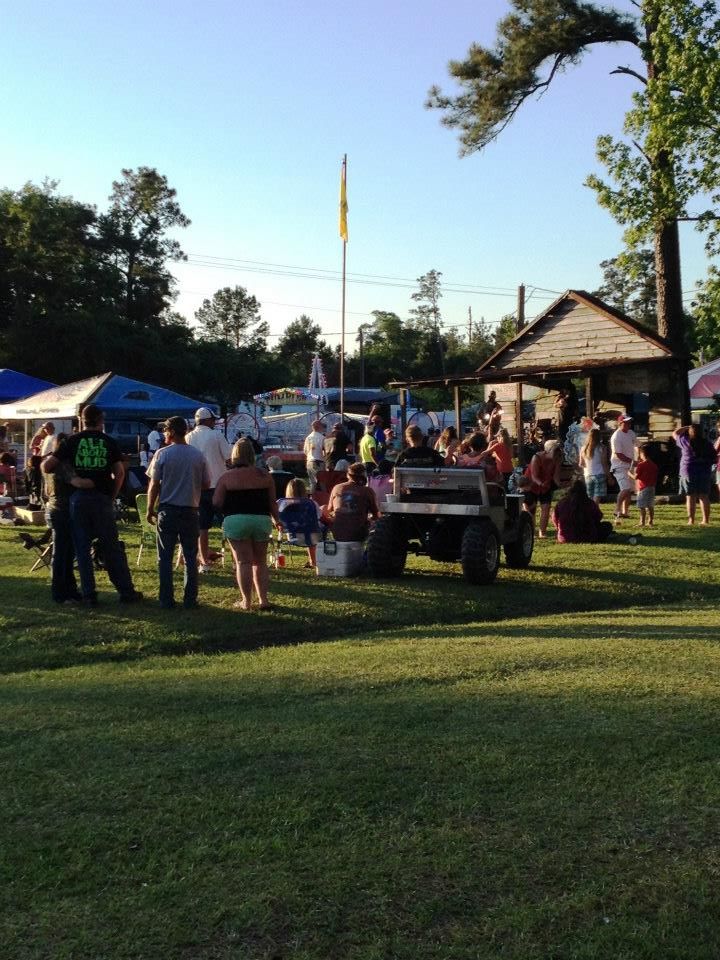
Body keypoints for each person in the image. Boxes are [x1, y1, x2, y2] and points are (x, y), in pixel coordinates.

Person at [42, 403, 143, 606]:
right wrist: (111, 495)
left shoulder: (71, 441)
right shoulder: (109, 442)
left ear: (82, 420)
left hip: (78, 500)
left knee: (82, 549)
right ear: (101, 420)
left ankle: (89, 594)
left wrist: (72, 479)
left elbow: (47, 465)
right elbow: (119, 472)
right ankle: (126, 591)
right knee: (111, 547)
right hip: (101, 497)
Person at [146, 416, 210, 610]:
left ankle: (166, 599)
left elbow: (154, 484)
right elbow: (206, 483)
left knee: (165, 557)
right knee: (190, 557)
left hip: (168, 509)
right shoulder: (198, 455)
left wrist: (150, 508)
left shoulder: (162, 454)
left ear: (171, 432)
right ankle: (190, 599)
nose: (164, 434)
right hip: (190, 510)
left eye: (165, 431)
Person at [213, 438, 280, 611]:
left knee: (243, 562)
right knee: (260, 562)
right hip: (261, 519)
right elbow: (272, 502)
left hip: (236, 519)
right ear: (252, 455)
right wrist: (277, 520)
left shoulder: (226, 477)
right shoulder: (265, 475)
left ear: (234, 455)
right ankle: (263, 600)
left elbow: (217, 502)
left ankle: (246, 601)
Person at [44, 433, 91, 605]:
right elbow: (77, 482)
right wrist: (98, 481)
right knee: (62, 553)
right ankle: (60, 593)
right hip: (63, 510)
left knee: (66, 552)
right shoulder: (63, 465)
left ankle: (70, 590)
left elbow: (46, 491)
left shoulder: (48, 464)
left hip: (53, 507)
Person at [186, 407, 232, 572]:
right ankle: (236, 561)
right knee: (228, 524)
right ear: (207, 420)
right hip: (218, 486)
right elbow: (229, 457)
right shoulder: (216, 435)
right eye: (213, 420)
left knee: (202, 528)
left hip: (197, 488)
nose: (214, 422)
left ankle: (204, 562)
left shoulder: (188, 437)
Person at [327, 462, 379, 542]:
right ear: (364, 476)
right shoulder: (367, 491)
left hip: (337, 534)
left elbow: (329, 510)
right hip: (357, 535)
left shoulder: (337, 488)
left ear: (348, 475)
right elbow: (376, 515)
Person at [673, 424, 714, 525]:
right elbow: (713, 457)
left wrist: (686, 427)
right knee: (704, 496)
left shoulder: (684, 441)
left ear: (690, 432)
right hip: (704, 472)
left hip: (688, 471)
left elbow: (675, 433)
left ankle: (691, 520)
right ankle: (705, 520)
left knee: (690, 497)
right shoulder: (707, 444)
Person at [522, 439, 563, 538]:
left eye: (559, 450)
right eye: (556, 450)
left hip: (545, 486)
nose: (558, 453)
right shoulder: (536, 457)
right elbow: (534, 476)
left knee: (546, 508)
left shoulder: (557, 459)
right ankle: (531, 533)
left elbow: (556, 477)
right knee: (531, 509)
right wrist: (541, 483)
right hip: (531, 486)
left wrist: (562, 486)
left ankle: (542, 532)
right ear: (549, 450)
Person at [278, 478, 323, 568]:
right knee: (312, 529)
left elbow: (276, 516)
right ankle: (313, 561)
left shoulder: (282, 503)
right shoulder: (311, 503)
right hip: (311, 536)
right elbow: (319, 516)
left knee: (308, 530)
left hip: (292, 535)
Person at [610, 414, 637, 521]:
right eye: (626, 422)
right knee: (625, 488)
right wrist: (633, 462)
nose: (628, 424)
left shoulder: (631, 433)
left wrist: (641, 456)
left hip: (630, 466)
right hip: (619, 466)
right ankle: (617, 509)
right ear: (620, 423)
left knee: (629, 490)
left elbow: (637, 445)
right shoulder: (616, 436)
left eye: (629, 422)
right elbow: (618, 455)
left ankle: (625, 512)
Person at [579, 427, 610, 504]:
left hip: (588, 476)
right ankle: (594, 510)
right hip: (600, 474)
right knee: (597, 497)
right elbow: (604, 463)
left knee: (590, 497)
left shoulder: (583, 448)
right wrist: (609, 476)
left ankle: (589, 510)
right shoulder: (602, 448)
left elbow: (581, 464)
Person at [630, 444, 658, 527]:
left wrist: (629, 473)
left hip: (643, 488)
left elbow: (636, 477)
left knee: (642, 506)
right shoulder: (654, 465)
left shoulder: (641, 465)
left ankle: (642, 522)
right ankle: (650, 522)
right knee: (650, 505)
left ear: (642, 454)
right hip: (652, 487)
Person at [303, 419, 326, 493]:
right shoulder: (322, 437)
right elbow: (324, 450)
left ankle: (312, 497)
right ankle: (325, 497)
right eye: (322, 426)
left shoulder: (308, 437)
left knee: (312, 482)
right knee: (322, 482)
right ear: (319, 427)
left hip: (309, 462)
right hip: (318, 461)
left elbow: (305, 451)